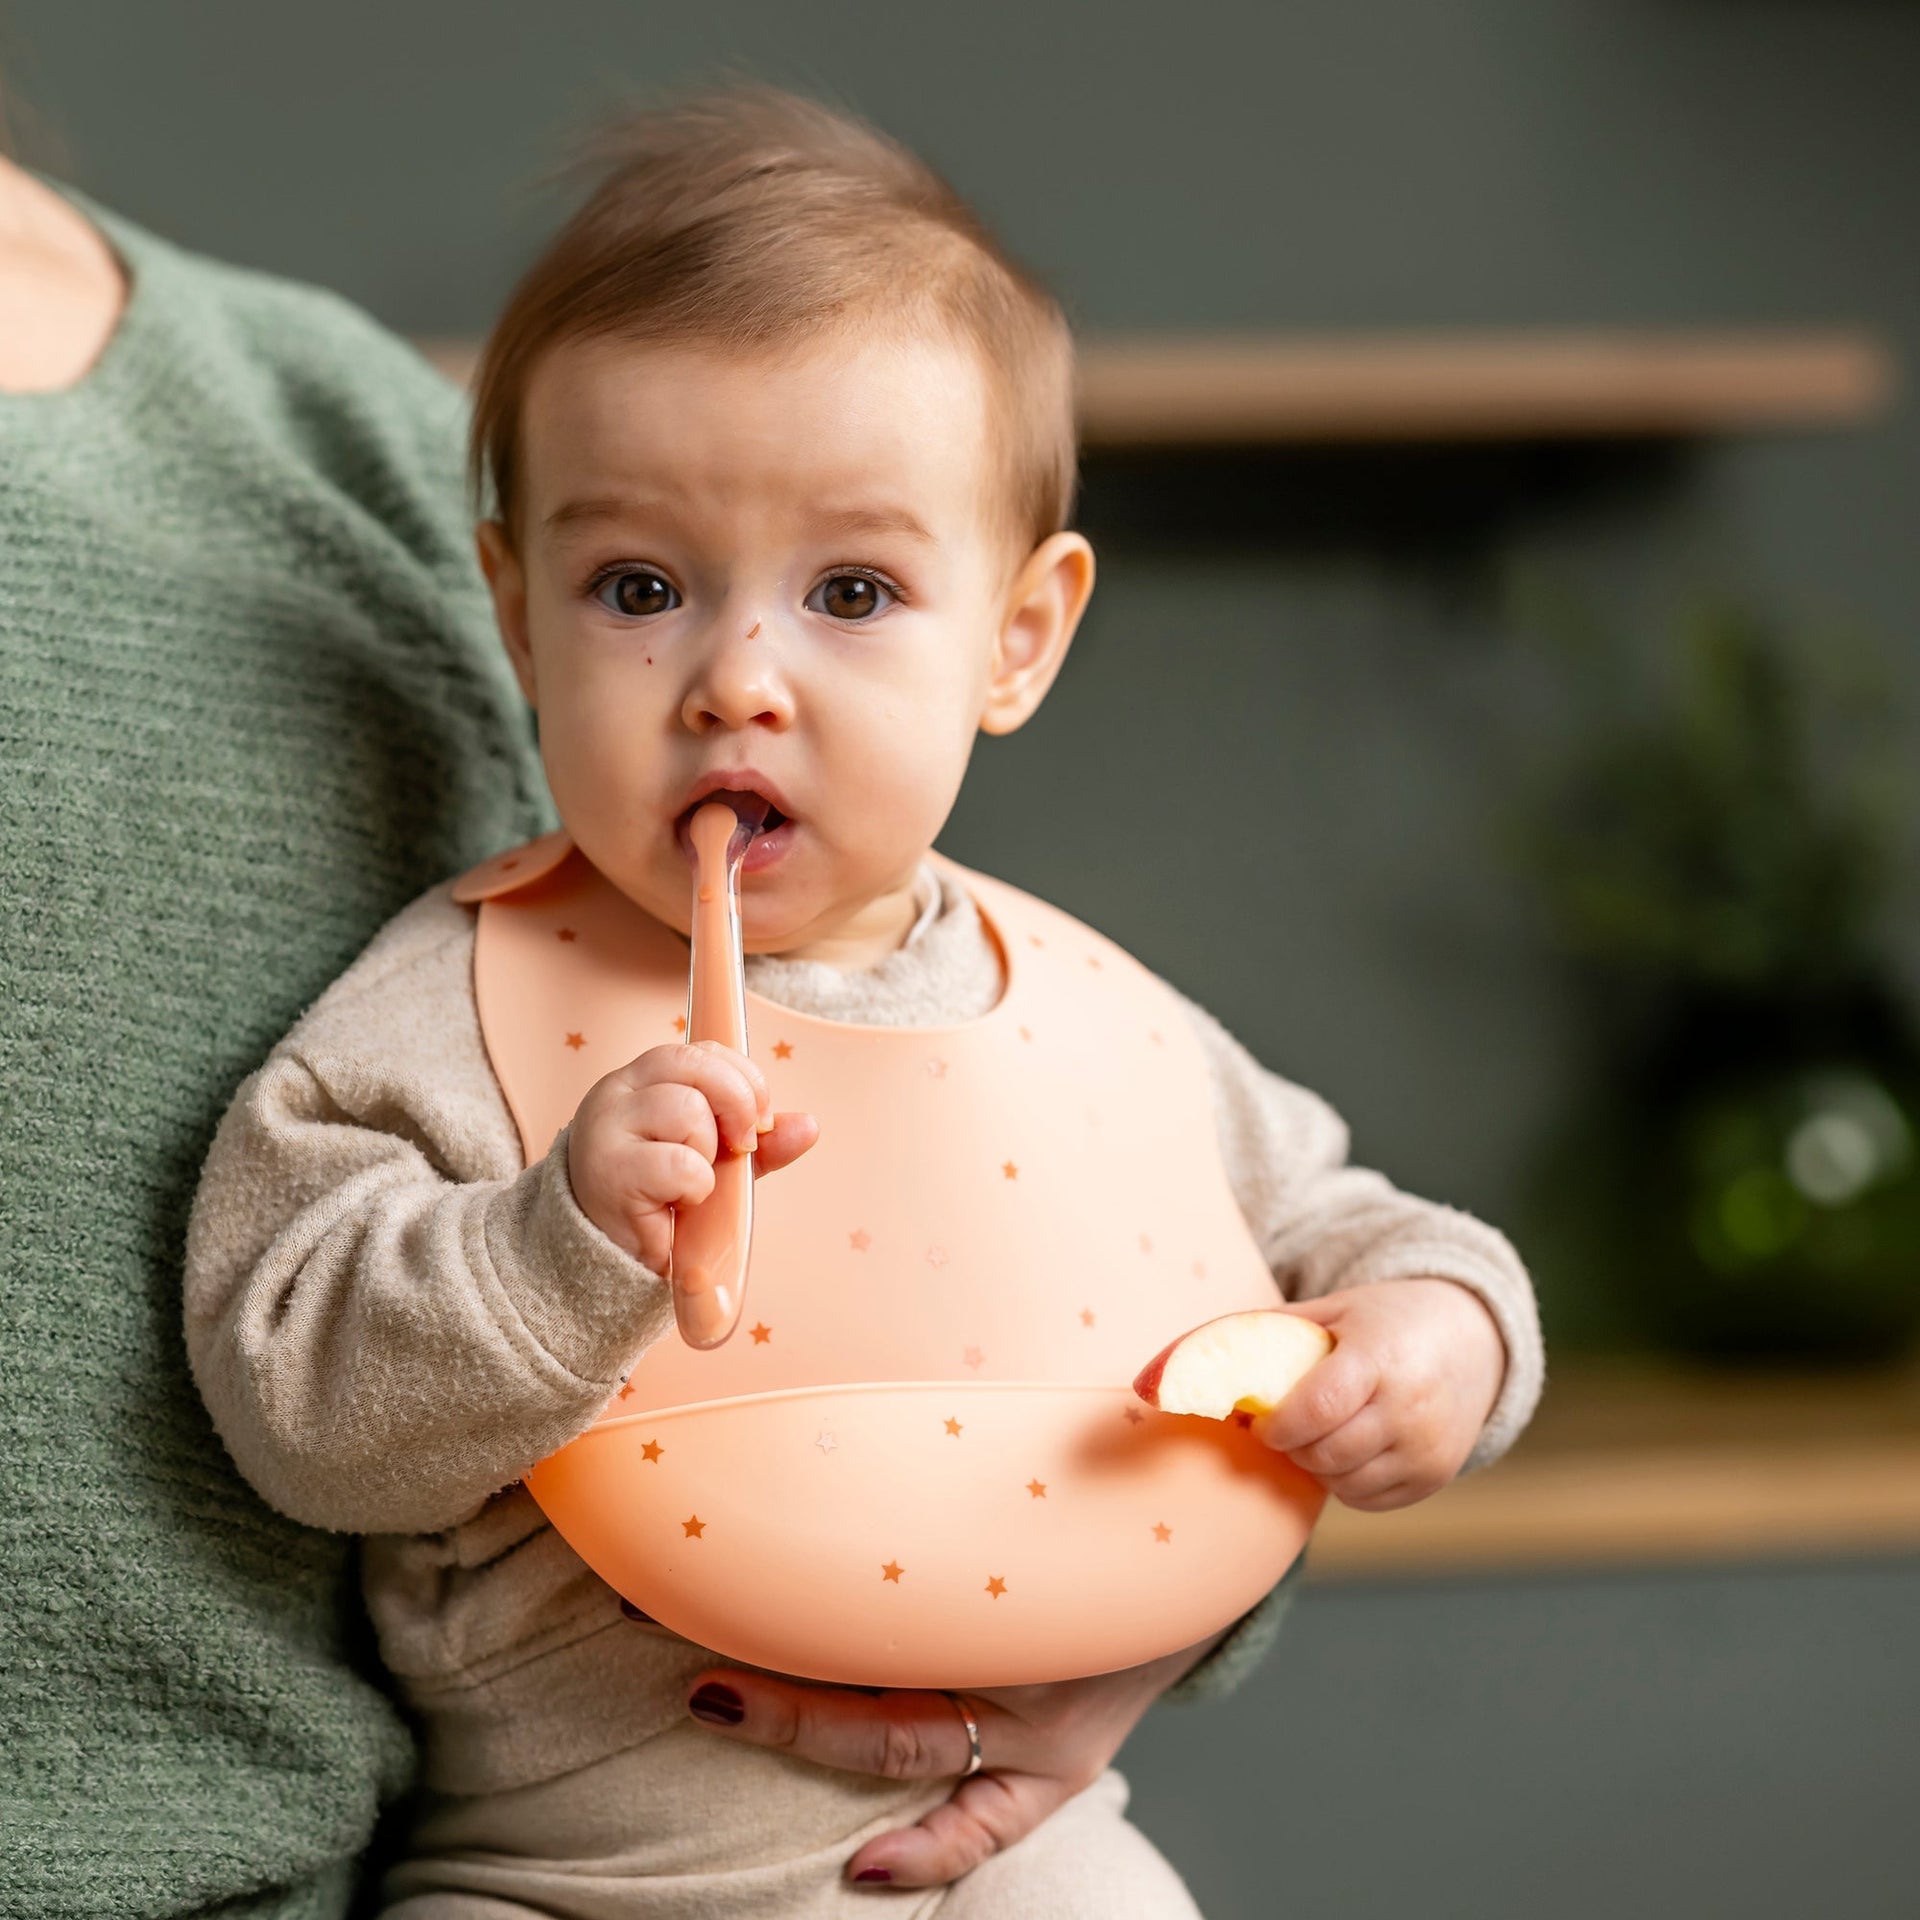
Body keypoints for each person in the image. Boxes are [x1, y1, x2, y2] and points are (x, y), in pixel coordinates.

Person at [182, 91, 1544, 1917]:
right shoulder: (454, 1004)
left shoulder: (1097, 1019)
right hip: (557, 1878)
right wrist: (552, 1238)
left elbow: (1353, 1228)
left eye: (851, 589)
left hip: (1001, 1854)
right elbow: (292, 1398)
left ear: (1017, 638)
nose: (737, 678)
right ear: (517, 619)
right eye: (639, 587)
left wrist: (1449, 1339)